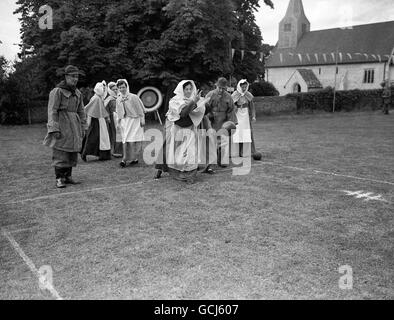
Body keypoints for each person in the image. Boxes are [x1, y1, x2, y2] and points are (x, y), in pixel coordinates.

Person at [43, 65, 87, 188]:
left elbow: (81, 111)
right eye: (73, 76)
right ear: (66, 77)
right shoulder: (57, 91)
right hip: (62, 124)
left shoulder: (78, 93)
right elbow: (52, 111)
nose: (75, 79)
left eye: (77, 76)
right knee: (61, 151)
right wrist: (53, 128)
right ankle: (59, 178)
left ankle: (68, 176)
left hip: (75, 125)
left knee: (72, 151)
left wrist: (84, 126)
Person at [154, 80, 207, 183]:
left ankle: (190, 175)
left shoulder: (195, 99)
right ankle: (160, 169)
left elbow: (202, 110)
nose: (188, 91)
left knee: (191, 152)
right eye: (186, 89)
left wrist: (201, 102)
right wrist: (194, 102)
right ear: (181, 90)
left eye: (190, 89)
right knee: (168, 148)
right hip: (176, 127)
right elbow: (183, 113)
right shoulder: (175, 100)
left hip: (190, 129)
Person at [204, 77, 237, 169]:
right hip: (212, 121)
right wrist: (209, 115)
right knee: (212, 141)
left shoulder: (228, 97)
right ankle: (212, 162)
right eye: (219, 87)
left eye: (223, 88)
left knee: (224, 141)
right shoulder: (210, 94)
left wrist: (232, 123)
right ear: (216, 85)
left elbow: (231, 110)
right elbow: (205, 107)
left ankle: (223, 160)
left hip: (223, 121)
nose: (221, 90)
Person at [116, 79, 146, 167]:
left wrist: (142, 119)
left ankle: (133, 158)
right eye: (120, 87)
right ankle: (125, 158)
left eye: (123, 87)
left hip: (134, 120)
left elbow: (140, 109)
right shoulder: (118, 99)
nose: (122, 89)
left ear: (127, 87)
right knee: (125, 139)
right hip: (125, 121)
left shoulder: (133, 97)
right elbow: (118, 111)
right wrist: (118, 121)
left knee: (132, 139)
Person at [81, 81, 112, 162]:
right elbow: (90, 111)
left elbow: (100, 110)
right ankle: (84, 153)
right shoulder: (96, 98)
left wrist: (105, 117)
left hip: (100, 121)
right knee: (92, 139)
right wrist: (88, 123)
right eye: (103, 89)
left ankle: (102, 155)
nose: (104, 90)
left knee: (99, 139)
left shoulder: (98, 98)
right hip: (96, 122)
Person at [231, 79, 260, 158]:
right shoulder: (235, 94)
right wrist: (234, 108)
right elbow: (231, 106)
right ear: (239, 86)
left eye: (245, 87)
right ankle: (236, 151)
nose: (244, 89)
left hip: (245, 115)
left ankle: (246, 151)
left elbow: (252, 106)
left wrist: (253, 116)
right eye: (242, 87)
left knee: (246, 133)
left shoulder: (248, 95)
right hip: (237, 115)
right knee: (237, 133)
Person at [104, 82, 123, 157]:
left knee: (121, 134)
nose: (115, 90)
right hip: (113, 118)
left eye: (116, 89)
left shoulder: (120, 97)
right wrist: (108, 117)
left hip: (121, 117)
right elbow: (106, 109)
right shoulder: (108, 99)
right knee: (114, 134)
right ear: (110, 90)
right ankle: (114, 150)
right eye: (113, 89)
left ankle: (121, 150)